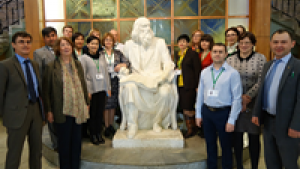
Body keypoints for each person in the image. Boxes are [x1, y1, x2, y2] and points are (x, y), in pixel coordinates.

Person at [118, 17, 178, 139]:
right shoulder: (129, 45)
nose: (146, 29)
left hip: (156, 78)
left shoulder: (160, 42)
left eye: (148, 26)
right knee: (129, 88)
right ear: (136, 29)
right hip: (137, 78)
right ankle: (132, 124)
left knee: (165, 92)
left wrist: (165, 74)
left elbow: (167, 62)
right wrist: (123, 69)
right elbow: (125, 63)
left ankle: (157, 122)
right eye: (143, 27)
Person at [252, 29, 300, 169]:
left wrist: (296, 125)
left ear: (292, 44)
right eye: (276, 42)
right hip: (268, 123)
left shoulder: (297, 67)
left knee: (289, 163)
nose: (279, 45)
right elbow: (262, 91)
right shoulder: (268, 65)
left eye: (283, 42)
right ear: (270, 44)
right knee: (271, 162)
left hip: (288, 125)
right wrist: (256, 113)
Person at [43, 37, 90, 169]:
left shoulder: (78, 64)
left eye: (68, 44)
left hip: (78, 109)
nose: (66, 47)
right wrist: (49, 111)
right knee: (64, 143)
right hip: (61, 109)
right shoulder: (51, 66)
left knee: (76, 143)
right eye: (63, 45)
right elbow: (46, 91)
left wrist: (86, 102)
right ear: (58, 48)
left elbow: (83, 85)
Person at [0, 31, 45, 169]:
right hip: (16, 115)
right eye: (21, 42)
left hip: (35, 111)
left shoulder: (35, 64)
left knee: (37, 151)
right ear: (13, 45)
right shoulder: (5, 65)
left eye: (28, 42)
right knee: (14, 153)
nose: (25, 45)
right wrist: (5, 116)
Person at [196, 43, 242, 169]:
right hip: (207, 112)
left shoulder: (233, 73)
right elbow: (200, 94)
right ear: (211, 53)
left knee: (226, 145)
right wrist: (198, 114)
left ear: (226, 54)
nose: (217, 54)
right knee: (210, 144)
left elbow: (237, 98)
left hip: (224, 113)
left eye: (220, 52)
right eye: (215, 51)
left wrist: (232, 120)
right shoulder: (204, 72)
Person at [227, 32, 266, 169]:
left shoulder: (261, 58)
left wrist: (247, 97)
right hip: (234, 103)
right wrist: (239, 99)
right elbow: (227, 80)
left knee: (254, 137)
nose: (244, 45)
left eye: (247, 43)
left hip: (254, 104)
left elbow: (262, 80)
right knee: (236, 138)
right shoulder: (230, 60)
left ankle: (254, 166)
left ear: (253, 44)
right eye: (241, 42)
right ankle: (239, 166)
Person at [79, 36, 111, 145]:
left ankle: (99, 133)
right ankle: (92, 134)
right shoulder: (83, 58)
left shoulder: (101, 57)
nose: (94, 46)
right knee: (92, 114)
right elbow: (82, 75)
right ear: (87, 45)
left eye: (96, 44)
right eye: (92, 43)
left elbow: (106, 73)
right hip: (91, 90)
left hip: (101, 88)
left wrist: (108, 88)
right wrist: (86, 91)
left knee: (99, 113)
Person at [33, 27, 58, 151]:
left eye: (53, 35)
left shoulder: (62, 48)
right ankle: (56, 143)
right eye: (48, 36)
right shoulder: (39, 53)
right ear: (44, 38)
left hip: (64, 89)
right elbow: (38, 74)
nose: (51, 38)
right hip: (49, 90)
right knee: (51, 117)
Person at [102, 32, 130, 138]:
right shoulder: (100, 53)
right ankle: (106, 126)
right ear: (103, 42)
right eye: (106, 40)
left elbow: (127, 63)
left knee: (113, 104)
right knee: (105, 105)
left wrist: (122, 64)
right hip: (104, 81)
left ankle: (111, 126)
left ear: (113, 42)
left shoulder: (118, 53)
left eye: (110, 40)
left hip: (115, 81)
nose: (108, 42)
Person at [174, 34, 201, 138]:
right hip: (180, 84)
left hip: (190, 85)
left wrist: (198, 85)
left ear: (188, 43)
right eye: (180, 41)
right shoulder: (178, 54)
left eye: (184, 41)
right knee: (184, 106)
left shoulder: (192, 54)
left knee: (189, 107)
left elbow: (197, 70)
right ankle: (189, 127)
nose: (182, 43)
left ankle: (192, 129)